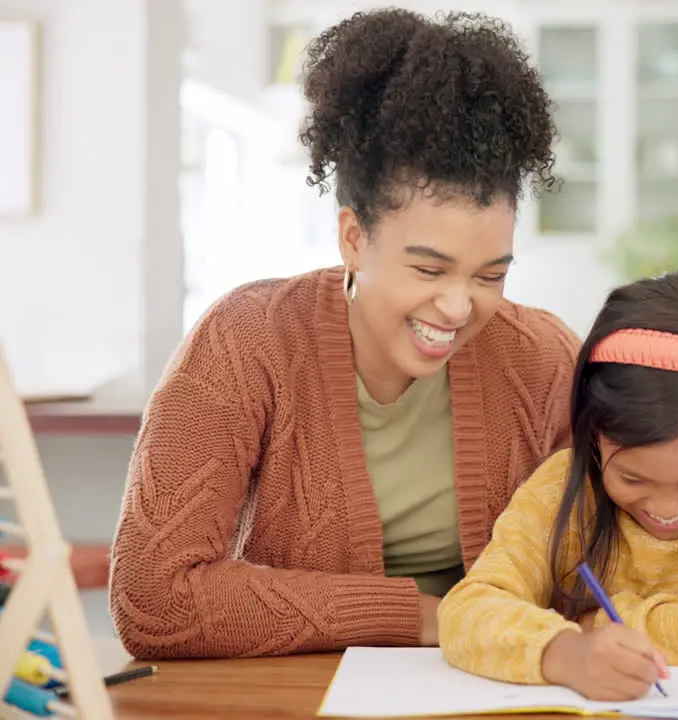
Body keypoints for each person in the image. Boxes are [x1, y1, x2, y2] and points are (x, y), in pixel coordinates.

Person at [108, 9, 580, 659]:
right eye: (427, 268)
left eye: (490, 275)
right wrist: (428, 619)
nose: (456, 306)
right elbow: (153, 600)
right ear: (353, 238)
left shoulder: (542, 360)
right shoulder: (246, 343)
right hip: (299, 694)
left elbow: (612, 556)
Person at [436, 271, 678, 702]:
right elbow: (465, 613)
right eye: (632, 477)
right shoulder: (562, 486)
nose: (667, 506)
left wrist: (593, 624)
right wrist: (565, 652)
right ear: (594, 435)